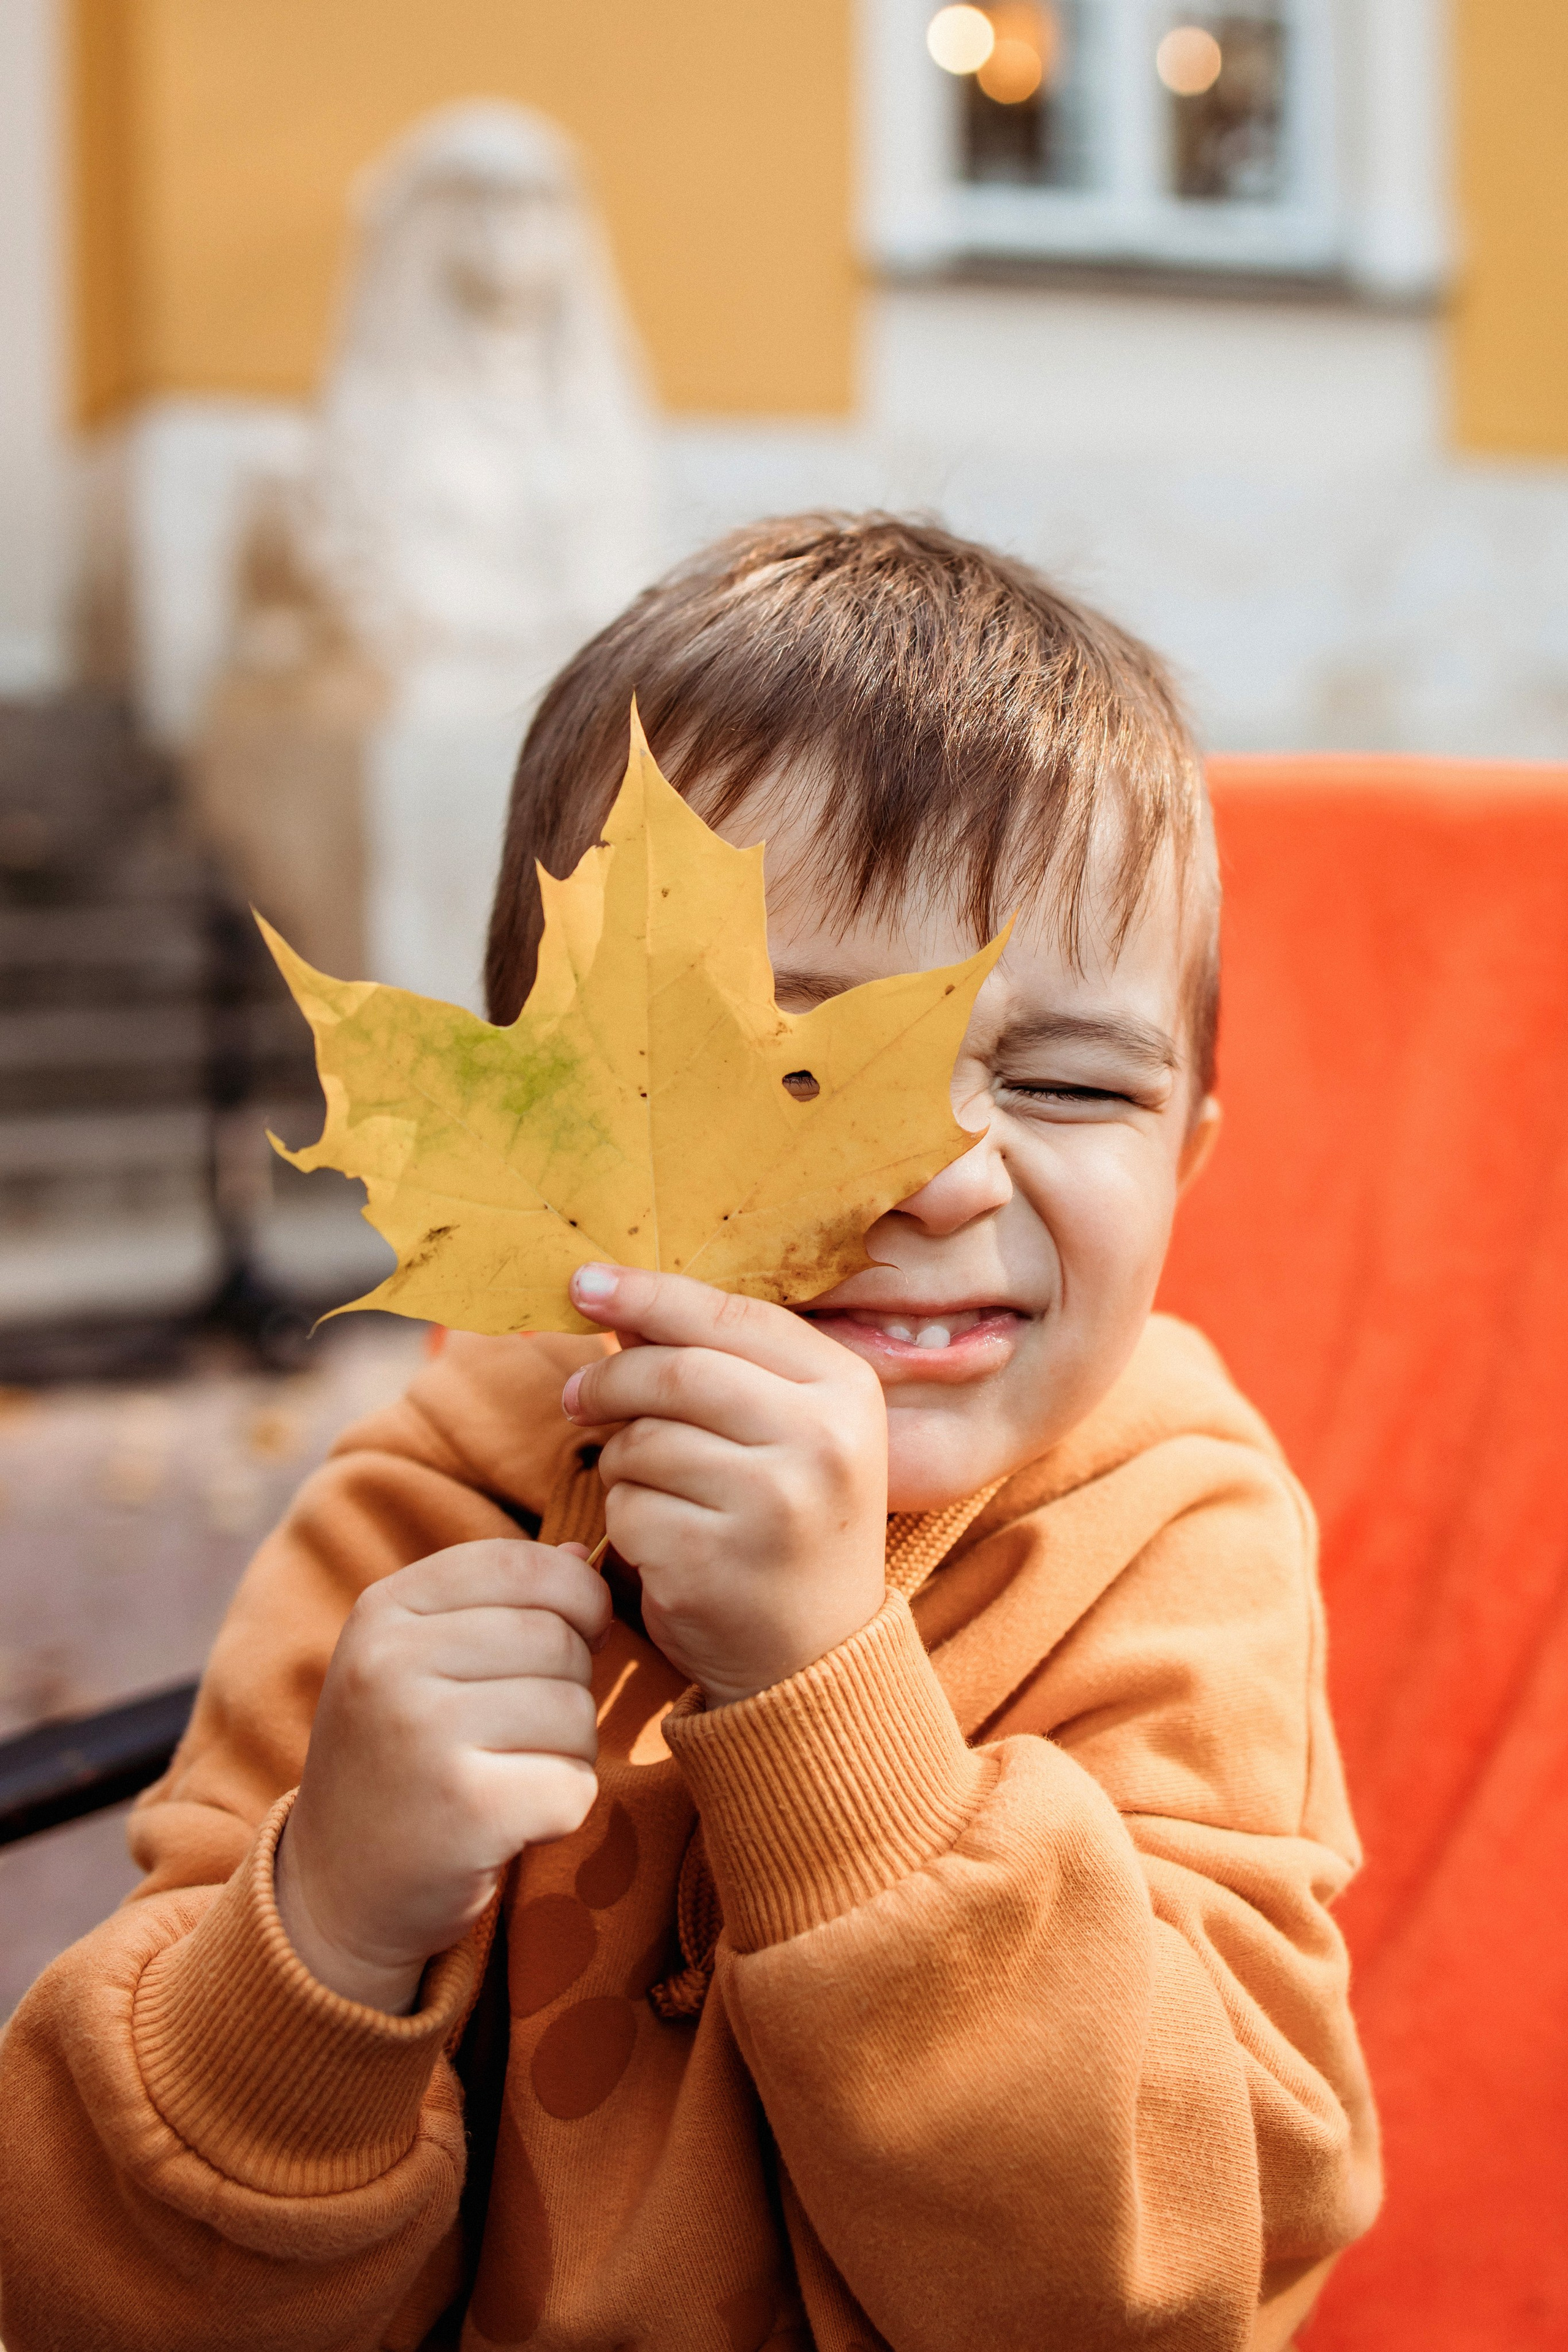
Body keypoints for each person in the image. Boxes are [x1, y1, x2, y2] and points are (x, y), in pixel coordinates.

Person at [0, 516, 1381, 2352]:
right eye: (795, 1072)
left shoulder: (1173, 1541)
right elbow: (102, 2293)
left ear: (1189, 1151)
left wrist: (831, 1701)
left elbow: (1160, 2279)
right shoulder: (429, 1508)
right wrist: (326, 1932)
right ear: (574, 1129)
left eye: (1063, 1082)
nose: (945, 1170)